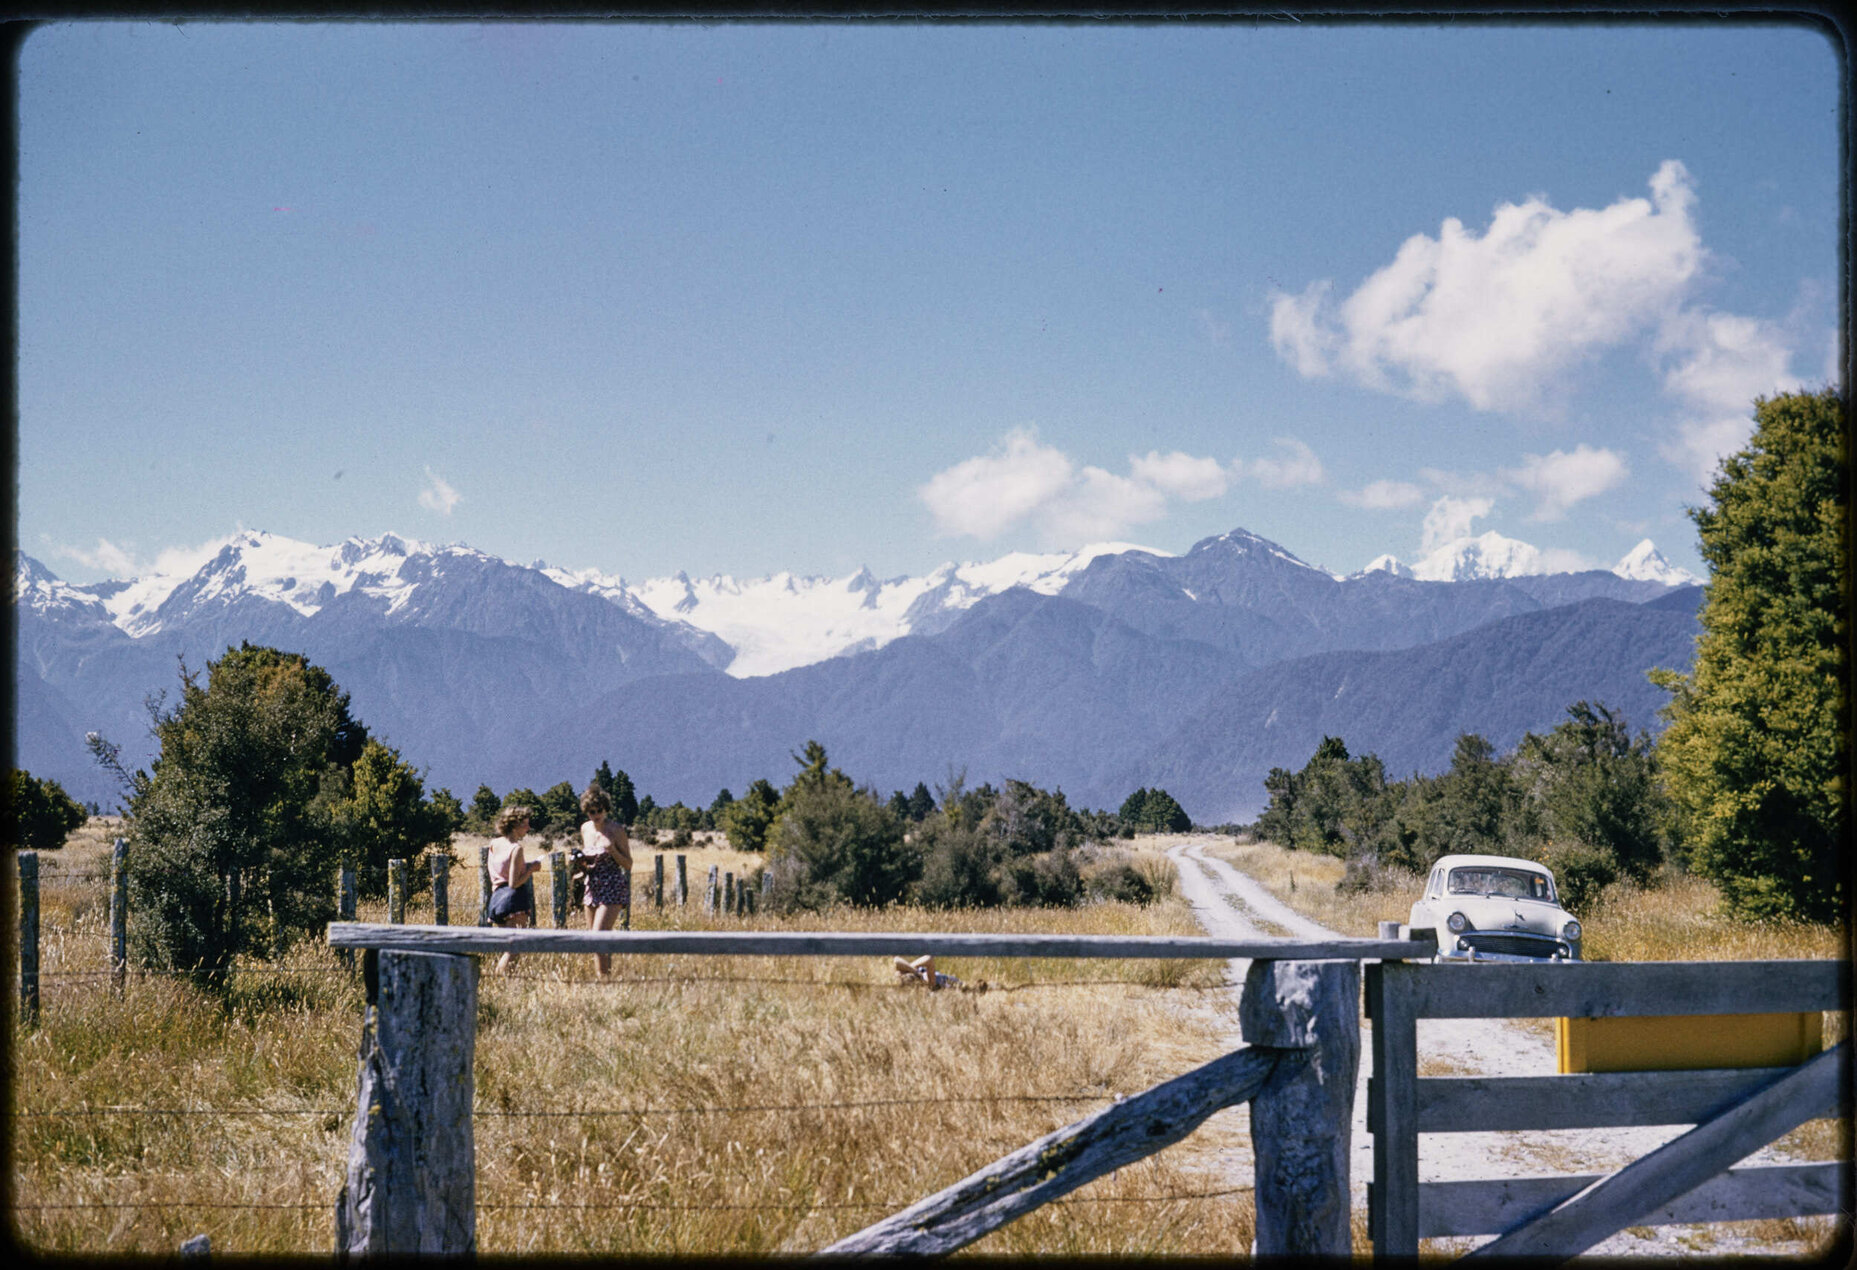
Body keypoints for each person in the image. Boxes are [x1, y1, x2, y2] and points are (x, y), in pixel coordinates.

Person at [576, 784, 632, 978]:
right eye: (592, 811)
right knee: (593, 939)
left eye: (600, 810)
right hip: (592, 885)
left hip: (612, 886)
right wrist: (580, 864)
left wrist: (613, 851)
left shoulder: (616, 830)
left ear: (606, 809)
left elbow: (628, 864)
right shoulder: (585, 829)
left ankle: (604, 979)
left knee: (600, 934)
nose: (596, 814)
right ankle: (603, 978)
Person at [487, 805, 539, 975]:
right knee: (514, 948)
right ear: (515, 825)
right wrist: (531, 869)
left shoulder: (494, 844)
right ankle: (501, 978)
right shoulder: (516, 849)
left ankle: (501, 981)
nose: (528, 828)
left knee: (506, 947)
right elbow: (514, 883)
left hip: (496, 899)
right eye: (525, 824)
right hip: (513, 900)